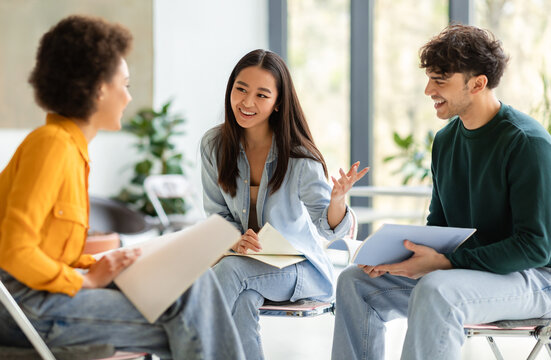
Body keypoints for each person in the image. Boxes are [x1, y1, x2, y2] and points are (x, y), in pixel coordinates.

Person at [0, 15, 245, 360]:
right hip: (26, 305)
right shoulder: (52, 145)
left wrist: (101, 264)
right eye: (125, 85)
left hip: (41, 296)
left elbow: (50, 251)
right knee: (193, 317)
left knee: (195, 283)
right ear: (100, 89)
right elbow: (13, 251)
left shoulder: (71, 149)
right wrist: (83, 280)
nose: (129, 98)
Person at [331, 24, 551, 360]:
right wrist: (396, 259)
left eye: (440, 80)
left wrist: (447, 263)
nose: (428, 90)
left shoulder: (526, 143)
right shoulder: (446, 141)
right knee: (354, 282)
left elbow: (535, 247)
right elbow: (441, 229)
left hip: (534, 279)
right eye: (429, 78)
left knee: (437, 289)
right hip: (468, 274)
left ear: (477, 84)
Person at [200, 49, 368, 359]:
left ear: (278, 103)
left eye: (262, 95)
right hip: (243, 265)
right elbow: (216, 213)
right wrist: (233, 239)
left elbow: (327, 228)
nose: (247, 102)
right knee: (242, 297)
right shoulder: (214, 145)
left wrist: (338, 200)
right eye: (241, 89)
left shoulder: (299, 156)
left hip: (299, 268)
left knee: (228, 273)